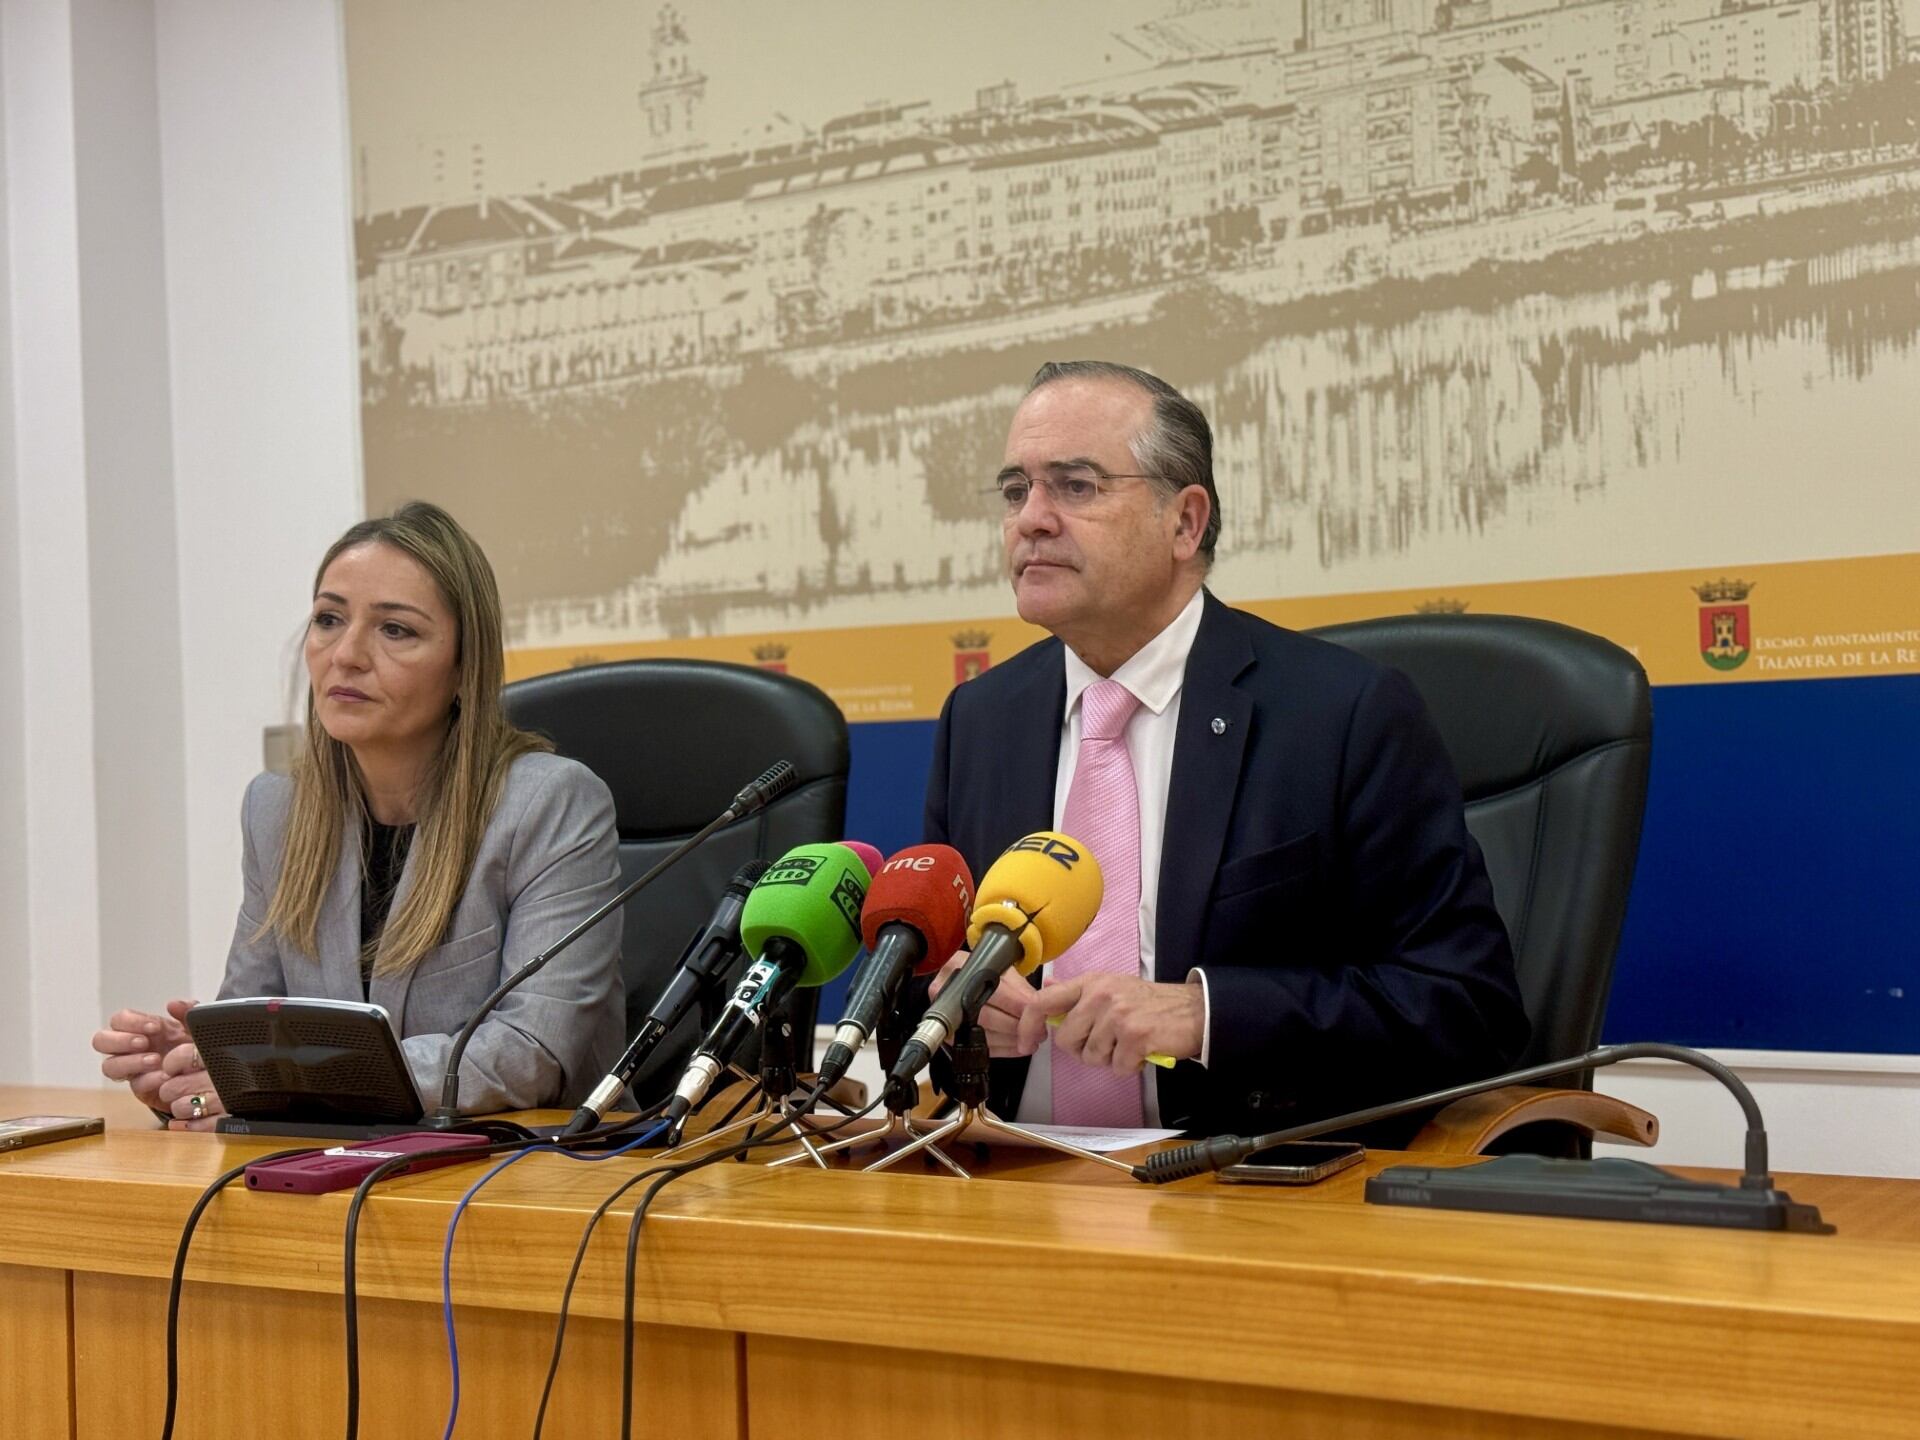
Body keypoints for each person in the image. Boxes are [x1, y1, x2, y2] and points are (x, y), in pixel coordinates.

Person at [922, 361, 1529, 1140]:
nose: (1032, 519)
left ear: (1185, 522)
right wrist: (954, 1007)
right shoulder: (981, 719)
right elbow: (917, 990)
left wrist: (1205, 1015)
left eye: (1075, 486)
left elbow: (1469, 1009)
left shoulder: (1341, 715)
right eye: (1016, 491)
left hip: (1236, 1178)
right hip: (1008, 1174)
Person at [91, 502, 624, 1125]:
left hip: (533, 1164)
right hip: (336, 1159)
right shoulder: (276, 810)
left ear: (464, 667)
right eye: (329, 619)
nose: (345, 654)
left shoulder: (549, 804)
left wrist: (301, 1077)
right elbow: (254, 1025)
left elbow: (530, 1052)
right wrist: (198, 1069)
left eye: (395, 630)